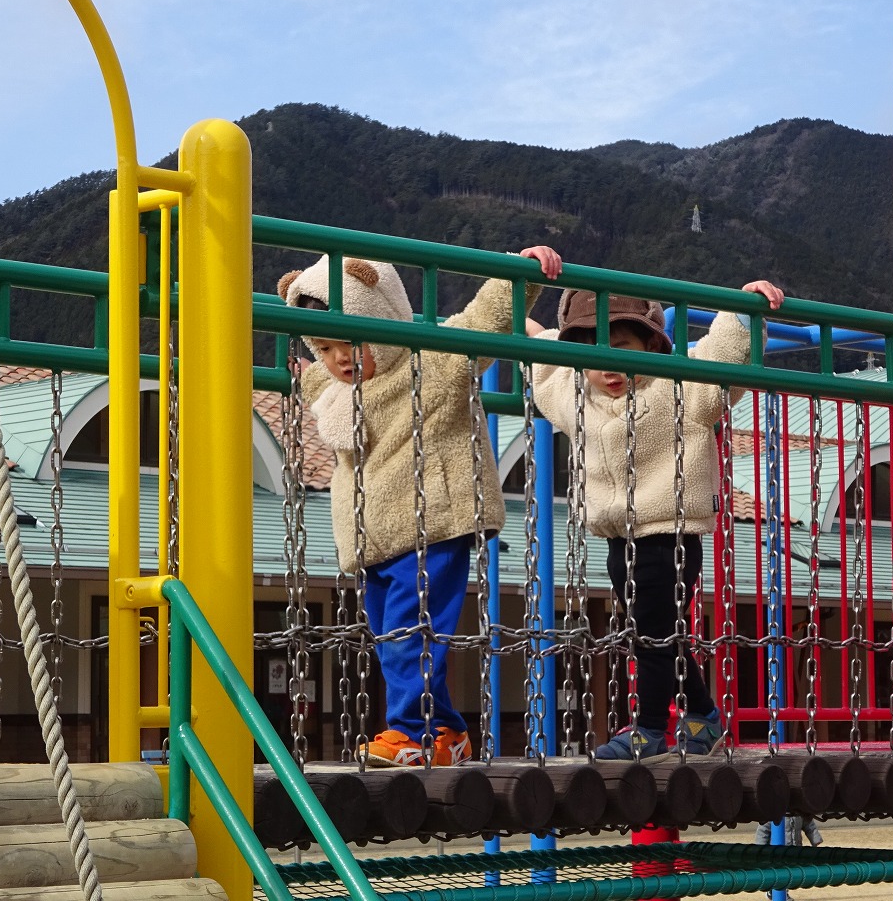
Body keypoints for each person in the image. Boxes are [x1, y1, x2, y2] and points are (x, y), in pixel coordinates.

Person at [277, 246, 562, 767]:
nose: (340, 357)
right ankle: (447, 732)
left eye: (351, 340)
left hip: (433, 527)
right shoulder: (334, 388)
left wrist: (518, 275)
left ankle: (411, 731)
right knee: (392, 642)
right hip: (373, 543)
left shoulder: (430, 363)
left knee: (412, 637)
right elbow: (299, 370)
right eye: (325, 347)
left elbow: (481, 321)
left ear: (383, 319)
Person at [527, 280, 784, 759]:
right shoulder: (574, 394)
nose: (607, 366)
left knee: (651, 634)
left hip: (670, 536)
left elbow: (721, 359)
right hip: (618, 539)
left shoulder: (678, 386)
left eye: (622, 347)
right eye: (592, 354)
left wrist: (743, 311)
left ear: (651, 345)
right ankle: (704, 717)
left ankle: (648, 729)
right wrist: (525, 301)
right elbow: (542, 359)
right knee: (659, 630)